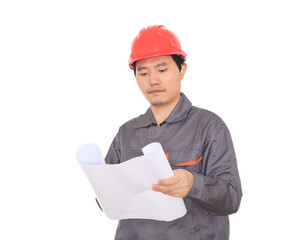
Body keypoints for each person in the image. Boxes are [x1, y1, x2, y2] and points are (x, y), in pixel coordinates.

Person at [104, 25, 242, 240]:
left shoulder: (209, 126)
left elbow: (231, 199)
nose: (153, 80)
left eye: (162, 69)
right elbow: (106, 200)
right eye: (143, 72)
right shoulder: (127, 133)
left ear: (182, 70)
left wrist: (192, 183)